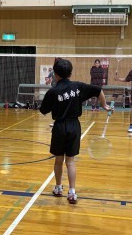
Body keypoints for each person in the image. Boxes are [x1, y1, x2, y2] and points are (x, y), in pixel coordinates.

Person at [39, 58, 111, 204]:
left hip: (59, 127)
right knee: (70, 161)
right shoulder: (78, 87)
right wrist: (105, 105)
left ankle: (58, 188)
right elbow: (98, 90)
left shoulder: (53, 91)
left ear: (55, 74)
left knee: (58, 160)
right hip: (74, 126)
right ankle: (72, 192)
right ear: (70, 73)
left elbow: (43, 110)